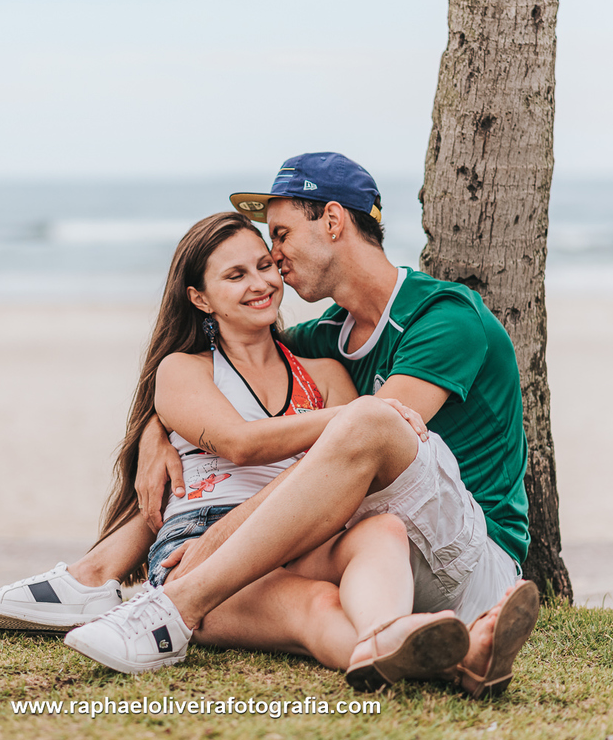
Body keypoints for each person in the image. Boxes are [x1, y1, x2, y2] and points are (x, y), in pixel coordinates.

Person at [65, 152, 541, 698]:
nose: (274, 255)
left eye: (282, 234)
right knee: (366, 475)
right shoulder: (324, 339)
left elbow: (376, 433)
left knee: (373, 419)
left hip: (469, 562)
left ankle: (177, 605)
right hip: (381, 564)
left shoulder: (446, 319)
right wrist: (156, 429)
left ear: (333, 222)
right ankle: (435, 655)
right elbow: (224, 365)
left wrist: (220, 536)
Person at [0, 212, 466, 678]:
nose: (261, 283)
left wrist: (350, 420)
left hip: (294, 535)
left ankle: (390, 637)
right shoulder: (183, 371)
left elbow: (348, 471)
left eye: (265, 266)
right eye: (235, 275)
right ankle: (425, 662)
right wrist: (354, 416)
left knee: (383, 529)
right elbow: (240, 444)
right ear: (200, 298)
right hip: (199, 548)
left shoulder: (325, 374)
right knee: (314, 607)